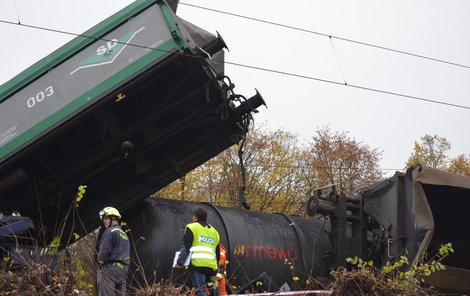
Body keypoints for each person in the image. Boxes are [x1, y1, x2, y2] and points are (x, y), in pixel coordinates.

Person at [175, 207, 221, 296]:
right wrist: (216, 266)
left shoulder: (192, 227)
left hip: (197, 266)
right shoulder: (214, 232)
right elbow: (217, 253)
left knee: (200, 290)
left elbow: (186, 246)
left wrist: (180, 263)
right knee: (214, 290)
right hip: (211, 267)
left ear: (195, 217)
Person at [97, 206, 130, 296]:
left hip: (110, 269)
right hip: (123, 270)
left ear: (114, 218)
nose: (104, 221)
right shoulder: (124, 235)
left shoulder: (109, 232)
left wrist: (100, 264)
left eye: (106, 218)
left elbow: (103, 254)